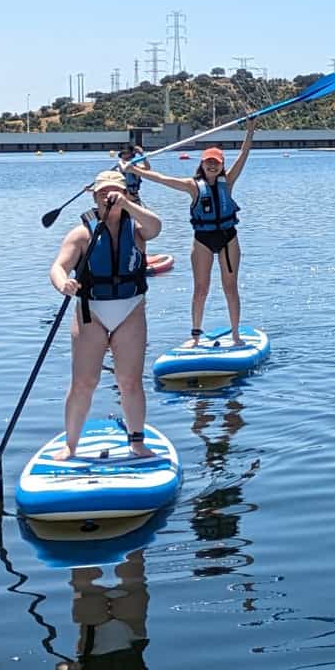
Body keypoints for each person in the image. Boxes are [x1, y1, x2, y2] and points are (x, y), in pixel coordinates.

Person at [49, 170, 162, 458]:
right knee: (84, 382)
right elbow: (58, 267)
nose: (108, 196)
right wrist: (63, 284)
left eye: (114, 191)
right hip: (92, 313)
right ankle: (70, 445)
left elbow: (156, 227)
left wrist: (127, 204)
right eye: (102, 192)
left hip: (130, 310)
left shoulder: (137, 228)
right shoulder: (82, 233)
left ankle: (137, 442)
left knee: (130, 381)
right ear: (94, 196)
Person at [133, 119, 256, 347]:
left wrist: (249, 131)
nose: (212, 166)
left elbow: (243, 155)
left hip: (228, 238)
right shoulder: (192, 186)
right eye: (209, 162)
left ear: (221, 165)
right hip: (203, 240)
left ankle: (236, 335)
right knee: (201, 289)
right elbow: (162, 179)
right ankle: (196, 336)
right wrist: (134, 170)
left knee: (230, 287)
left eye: (216, 163)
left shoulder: (228, 181)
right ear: (202, 164)